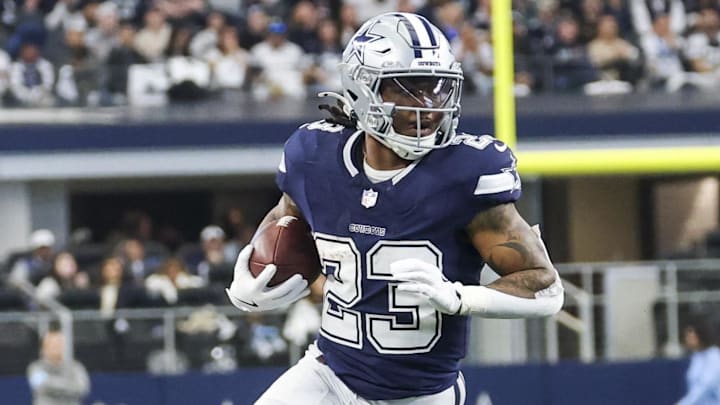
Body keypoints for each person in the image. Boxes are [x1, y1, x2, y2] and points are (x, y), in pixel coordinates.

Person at [226, 12, 563, 404]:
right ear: (362, 88)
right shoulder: (315, 158)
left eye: (437, 88)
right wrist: (252, 273)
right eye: (409, 89)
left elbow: (546, 289)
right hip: (328, 373)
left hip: (420, 396)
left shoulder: (465, 174)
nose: (429, 106)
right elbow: (286, 217)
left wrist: (461, 298)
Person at [27, 328, 90, 405]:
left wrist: (51, 384)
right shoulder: (35, 368)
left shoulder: (76, 367)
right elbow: (40, 386)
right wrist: (69, 385)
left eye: (59, 344)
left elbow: (82, 389)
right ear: (43, 348)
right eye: (52, 344)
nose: (56, 347)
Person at [677, 314, 720, 405]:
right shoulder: (696, 357)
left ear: (700, 334)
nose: (687, 339)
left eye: (689, 335)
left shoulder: (715, 357)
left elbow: (704, 387)